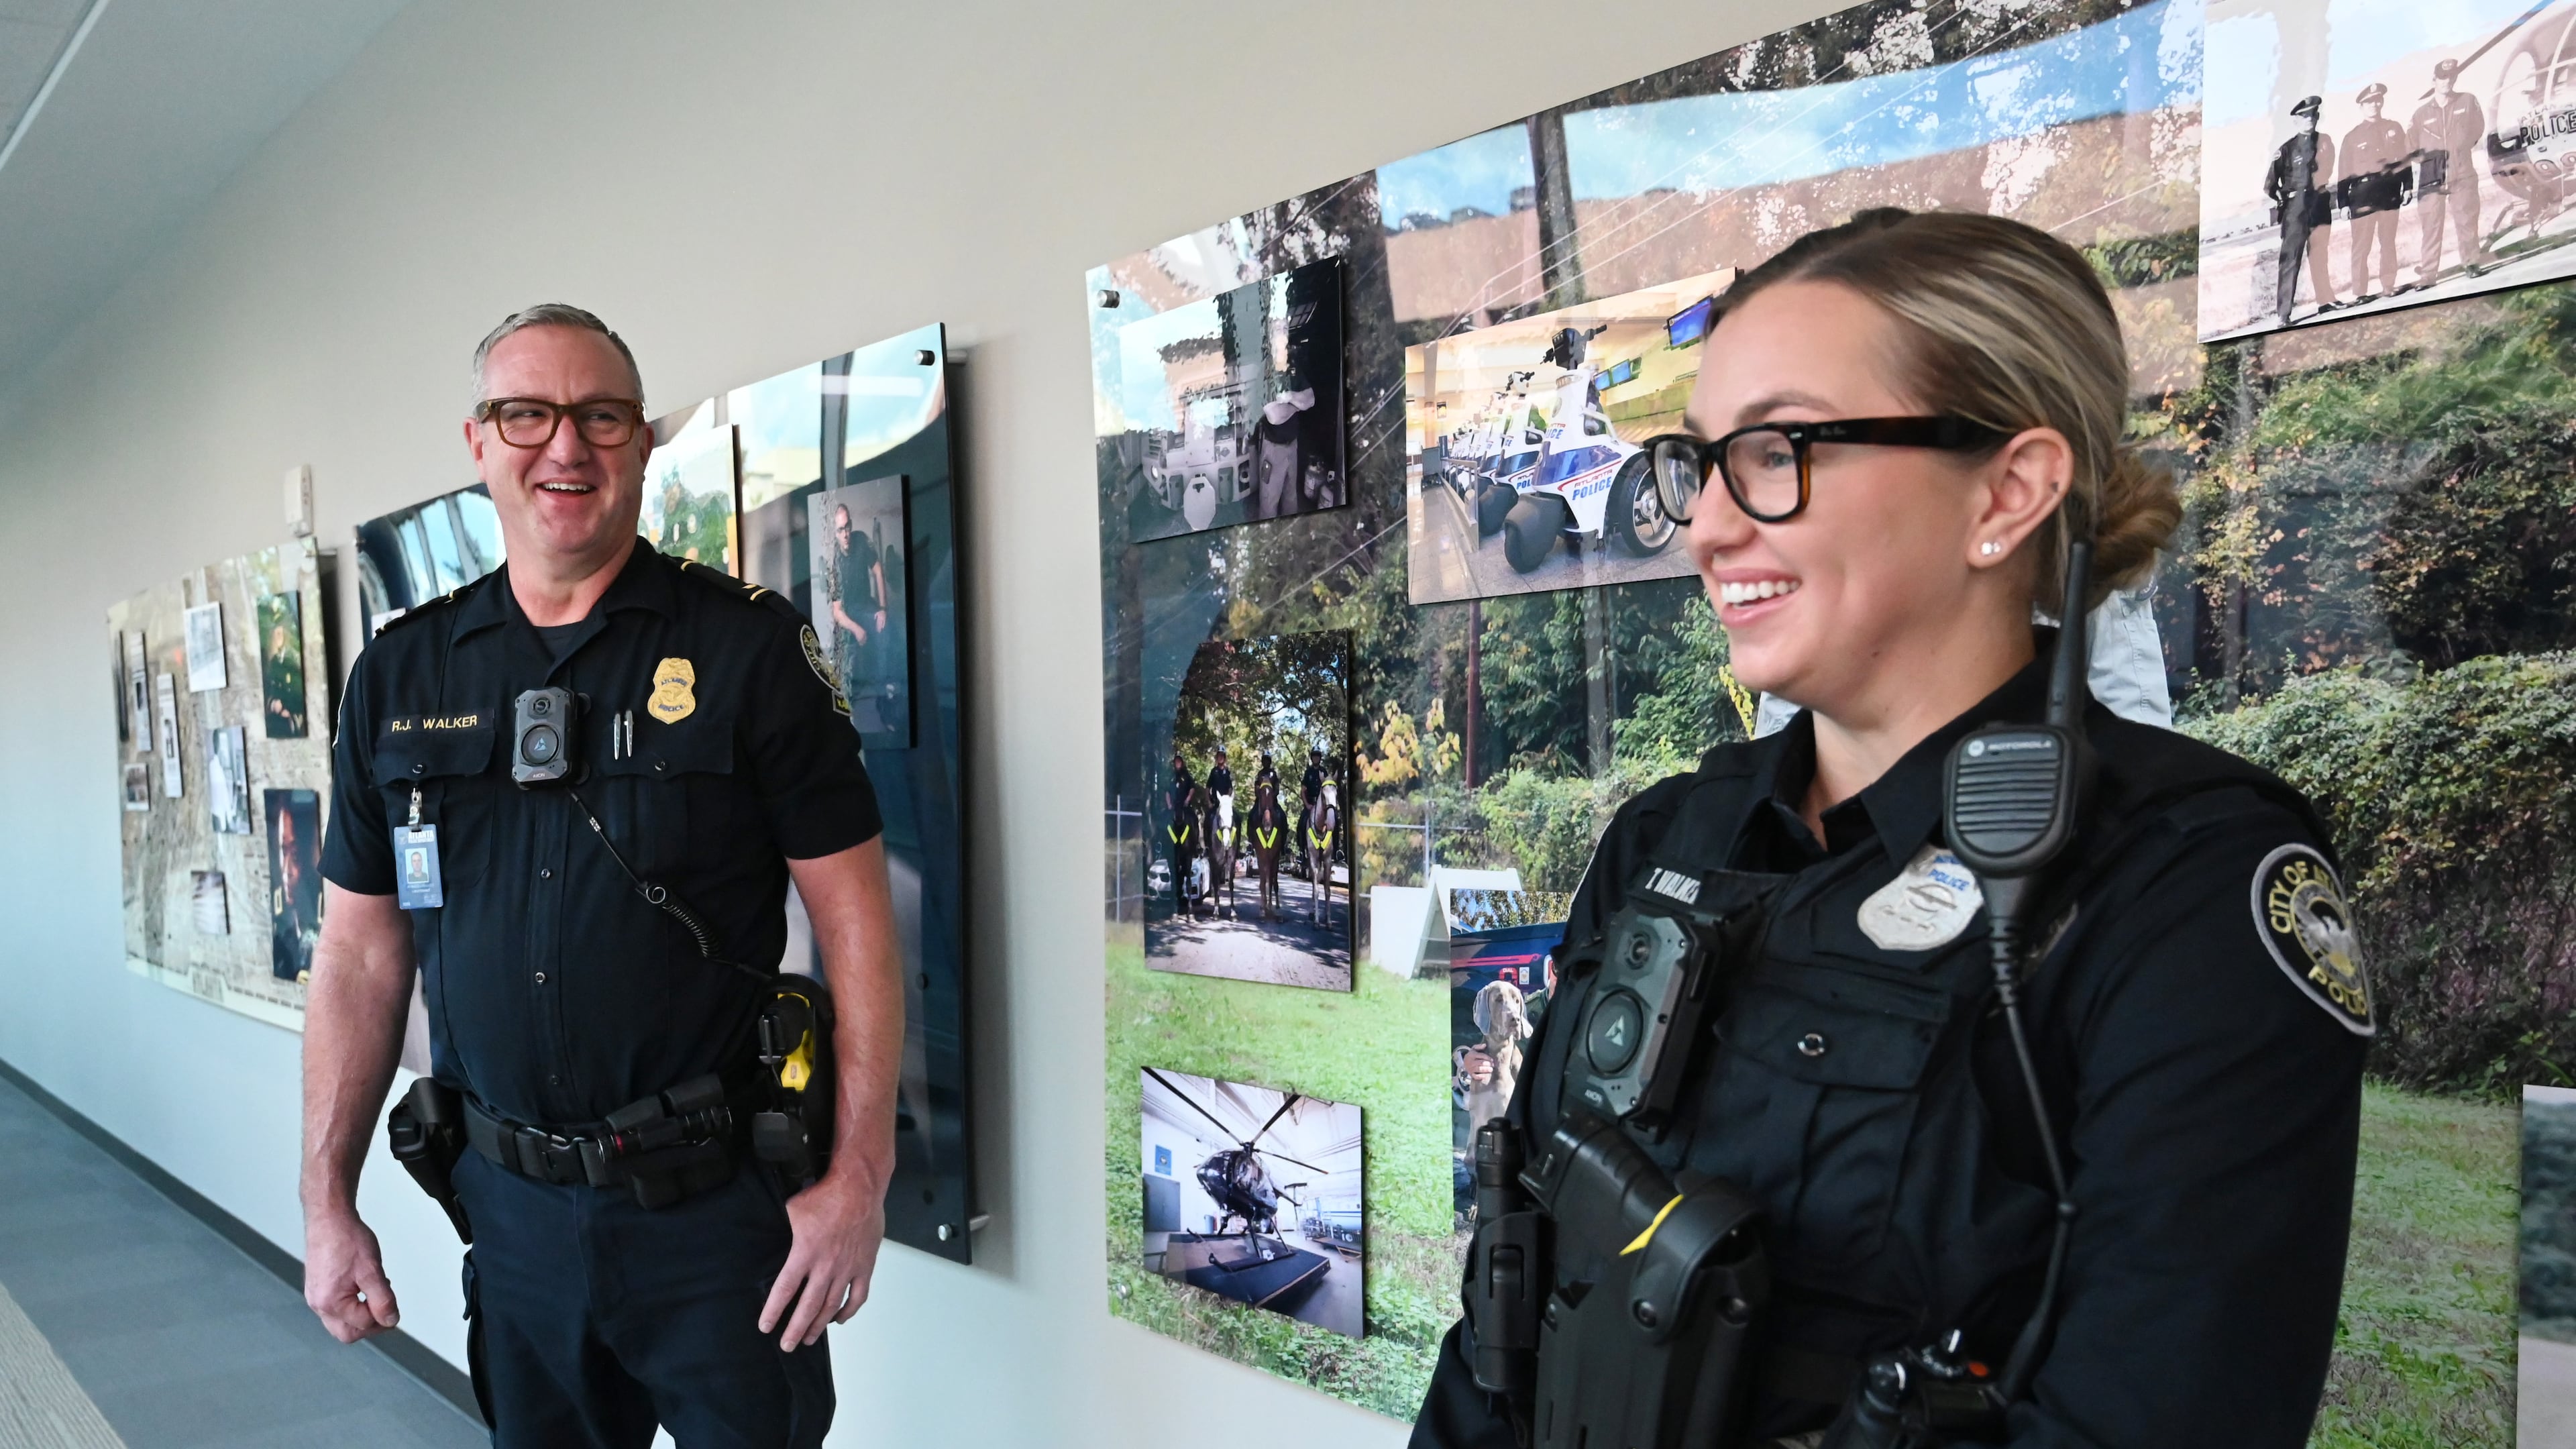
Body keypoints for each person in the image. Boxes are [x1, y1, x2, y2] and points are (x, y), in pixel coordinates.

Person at [1412, 209, 2369, 1448]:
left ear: (2008, 491)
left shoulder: (2181, 894)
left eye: (1775, 451)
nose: (1705, 526)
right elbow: (1508, 1336)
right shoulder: (1670, 841)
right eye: (1699, 461)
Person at [299, 304, 904, 1449]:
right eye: (527, 414)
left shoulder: (745, 651)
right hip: (512, 1214)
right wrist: (328, 1200)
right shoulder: (399, 673)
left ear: (640, 440)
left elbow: (857, 922)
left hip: (720, 1218)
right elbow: (359, 954)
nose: (566, 448)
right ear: (479, 442)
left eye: (602, 416)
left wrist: (861, 1177)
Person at [2411, 58, 2495, 288]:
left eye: (2451, 77)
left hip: (2462, 171)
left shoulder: (2467, 101)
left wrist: (2460, 148)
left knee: (2467, 219)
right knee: (2431, 227)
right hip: (2432, 177)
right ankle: (2428, 274)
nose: (2447, 81)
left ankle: (2471, 263)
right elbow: (2413, 145)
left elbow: (2477, 127)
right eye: (2442, 77)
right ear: (2434, 80)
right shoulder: (2420, 114)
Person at [2267, 95, 2339, 323]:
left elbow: (2327, 169)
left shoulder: (2326, 141)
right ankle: (2284, 314)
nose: (2310, 119)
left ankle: (2325, 302)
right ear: (2297, 121)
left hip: (2319, 204)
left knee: (2320, 254)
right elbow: (2270, 185)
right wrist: (2285, 200)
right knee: (2290, 259)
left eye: (2313, 115)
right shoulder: (2286, 150)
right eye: (2304, 116)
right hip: (2296, 209)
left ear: (2317, 116)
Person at [2339, 83, 2412, 303]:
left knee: (2388, 242)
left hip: (2389, 192)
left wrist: (2407, 186)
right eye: (2369, 102)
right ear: (2361, 106)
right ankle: (2360, 293)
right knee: (2361, 246)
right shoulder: (2352, 137)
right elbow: (2343, 171)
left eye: (2377, 100)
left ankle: (2388, 286)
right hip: (2362, 196)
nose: (2374, 105)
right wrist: (2342, 203)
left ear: (2382, 102)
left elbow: (2404, 159)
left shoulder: (2394, 128)